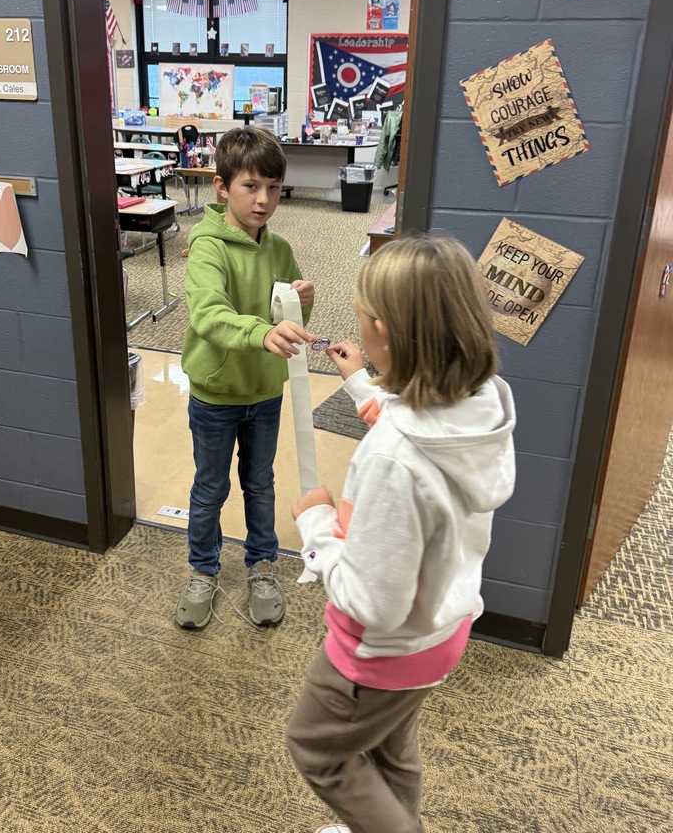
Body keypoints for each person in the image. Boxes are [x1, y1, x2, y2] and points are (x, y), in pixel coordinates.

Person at [286, 235, 516, 833]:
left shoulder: (394, 459)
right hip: (441, 630)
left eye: (363, 318)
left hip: (377, 654)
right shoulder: (478, 406)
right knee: (390, 744)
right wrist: (362, 383)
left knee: (319, 747)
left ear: (382, 331)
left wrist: (317, 526)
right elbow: (412, 421)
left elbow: (372, 602)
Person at [176, 126, 315, 630]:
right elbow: (208, 314)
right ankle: (203, 570)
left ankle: (261, 565)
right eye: (251, 187)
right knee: (210, 487)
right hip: (215, 394)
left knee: (260, 484)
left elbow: (286, 314)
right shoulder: (206, 245)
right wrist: (262, 332)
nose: (263, 200)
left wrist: (302, 297)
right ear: (221, 187)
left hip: (264, 391)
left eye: (273, 188)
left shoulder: (277, 247)